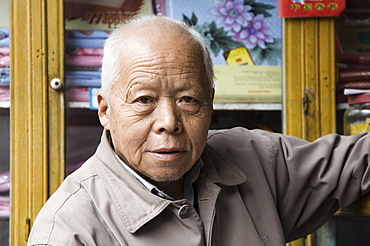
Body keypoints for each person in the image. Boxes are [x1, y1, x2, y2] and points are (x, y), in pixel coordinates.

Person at [28, 15, 370, 246]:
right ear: (105, 110)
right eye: (144, 99)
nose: (169, 121)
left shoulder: (256, 160)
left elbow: (356, 161)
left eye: (188, 99)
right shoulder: (69, 230)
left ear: (210, 103)